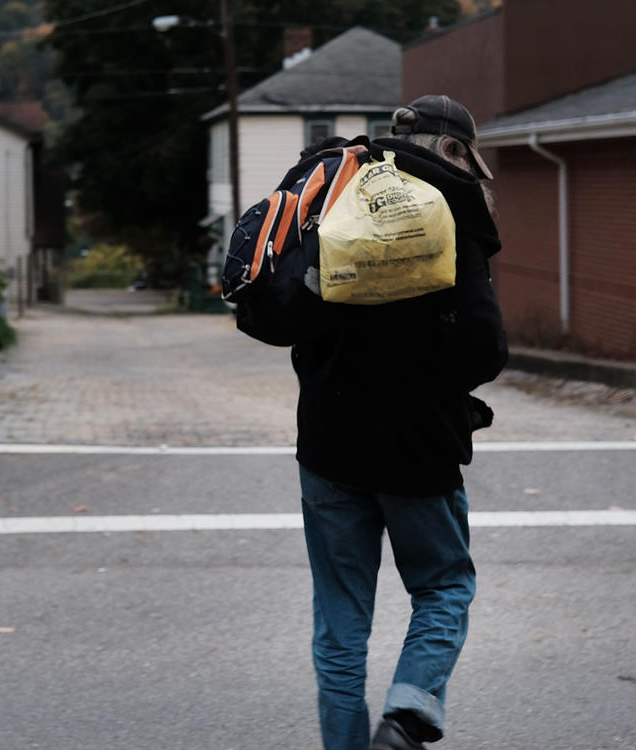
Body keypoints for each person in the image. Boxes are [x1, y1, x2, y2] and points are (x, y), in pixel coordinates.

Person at [290, 96, 507, 750]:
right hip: (420, 447)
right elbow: (485, 352)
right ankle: (408, 713)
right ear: (455, 149)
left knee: (339, 626)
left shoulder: (337, 197)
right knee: (443, 588)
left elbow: (299, 322)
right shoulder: (454, 212)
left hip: (328, 446)